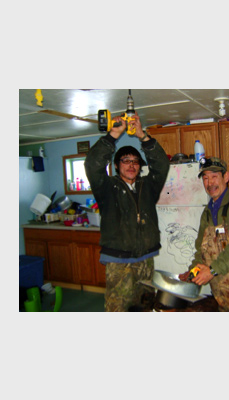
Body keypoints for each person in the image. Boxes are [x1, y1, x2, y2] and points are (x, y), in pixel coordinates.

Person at [85, 115, 169, 312]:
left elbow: (162, 165)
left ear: (140, 166)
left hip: (146, 258)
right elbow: (92, 165)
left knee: (145, 307)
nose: (131, 165)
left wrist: (142, 136)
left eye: (135, 161)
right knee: (119, 309)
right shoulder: (106, 187)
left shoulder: (148, 186)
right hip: (118, 261)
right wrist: (114, 134)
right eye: (125, 161)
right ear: (116, 165)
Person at [179, 157, 229, 311]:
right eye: (205, 178)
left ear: (226, 177)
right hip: (220, 293)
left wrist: (211, 271)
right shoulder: (207, 212)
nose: (210, 183)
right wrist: (193, 271)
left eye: (214, 177)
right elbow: (201, 250)